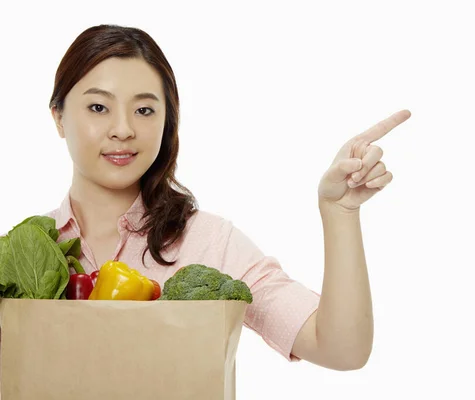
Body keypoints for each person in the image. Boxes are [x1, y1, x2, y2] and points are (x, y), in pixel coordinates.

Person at [39, 24, 410, 371]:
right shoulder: (26, 253)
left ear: (168, 120)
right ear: (58, 116)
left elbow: (341, 349)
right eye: (98, 107)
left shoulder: (210, 244)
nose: (123, 129)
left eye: (144, 110)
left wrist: (339, 213)